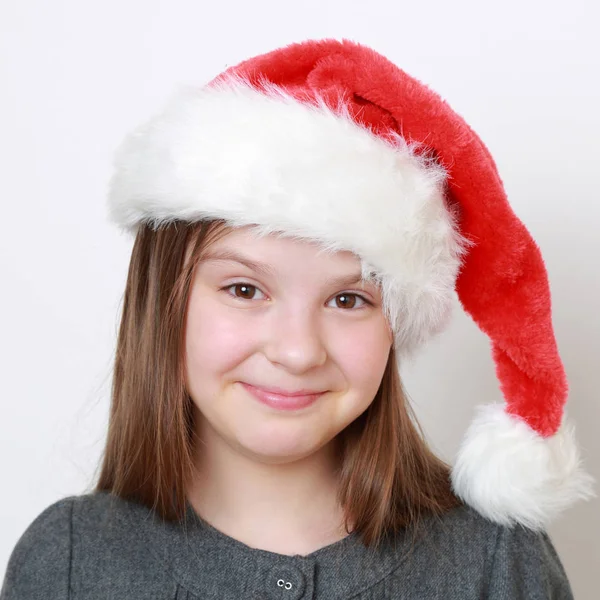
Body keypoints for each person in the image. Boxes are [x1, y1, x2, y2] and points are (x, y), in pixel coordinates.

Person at [1, 38, 595, 599]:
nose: (297, 351)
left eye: (348, 300)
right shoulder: (69, 561)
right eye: (243, 288)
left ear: (394, 326)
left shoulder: (495, 561)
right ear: (164, 302)